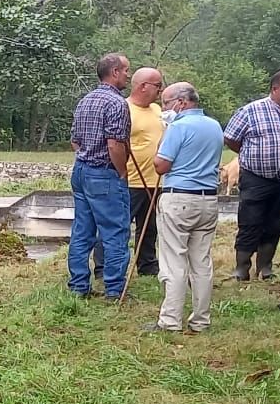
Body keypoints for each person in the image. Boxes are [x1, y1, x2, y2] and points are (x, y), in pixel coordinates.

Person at [149, 83, 225, 334]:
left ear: (181, 103)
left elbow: (161, 165)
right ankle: (201, 320)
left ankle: (170, 320)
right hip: (208, 199)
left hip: (179, 198)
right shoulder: (214, 126)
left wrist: (166, 132)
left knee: (174, 261)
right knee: (201, 262)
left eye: (167, 103)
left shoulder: (178, 127)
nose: (164, 108)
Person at [223, 70, 280, 281]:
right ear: (275, 89)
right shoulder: (250, 111)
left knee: (275, 224)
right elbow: (231, 138)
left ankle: (265, 267)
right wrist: (250, 155)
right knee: (250, 222)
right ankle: (242, 268)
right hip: (256, 177)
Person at [67, 53, 132, 300]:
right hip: (104, 173)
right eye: (126, 70)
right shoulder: (117, 104)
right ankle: (114, 290)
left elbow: (75, 141)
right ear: (114, 72)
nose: (129, 75)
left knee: (82, 231)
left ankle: (79, 286)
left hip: (81, 170)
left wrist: (87, 154)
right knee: (115, 232)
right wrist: (122, 172)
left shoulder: (85, 100)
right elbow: (115, 144)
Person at [92, 67, 165, 285]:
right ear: (143, 86)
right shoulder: (123, 108)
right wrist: (122, 172)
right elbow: (113, 143)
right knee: (118, 225)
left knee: (150, 226)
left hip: (155, 179)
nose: (161, 91)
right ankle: (103, 267)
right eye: (157, 86)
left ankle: (147, 263)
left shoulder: (157, 110)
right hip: (130, 179)